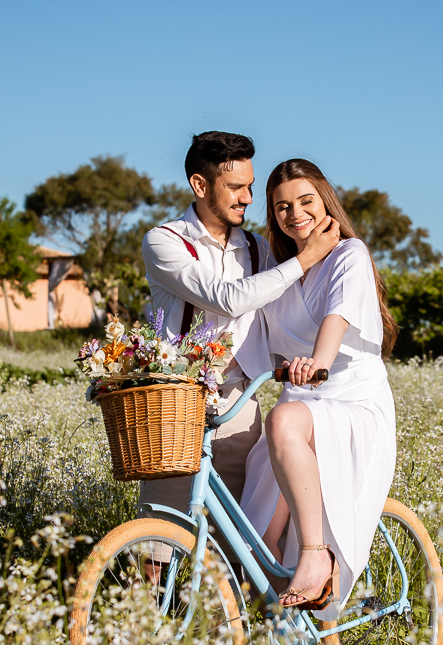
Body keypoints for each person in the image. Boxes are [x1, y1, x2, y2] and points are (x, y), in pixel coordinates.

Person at [139, 132, 340, 524]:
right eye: (235, 187)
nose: (247, 197)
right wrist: (305, 258)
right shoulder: (164, 241)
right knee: (161, 534)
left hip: (241, 405)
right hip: (177, 403)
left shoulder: (258, 248)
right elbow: (226, 298)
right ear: (200, 185)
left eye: (249, 186)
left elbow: (287, 312)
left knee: (238, 535)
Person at [240, 159, 398, 620]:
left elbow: (338, 316)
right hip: (299, 404)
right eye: (282, 206)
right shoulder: (279, 269)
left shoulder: (350, 254)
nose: (295, 214)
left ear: (325, 201)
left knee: (283, 419)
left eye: (305, 201)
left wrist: (318, 363)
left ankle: (316, 554)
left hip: (350, 398)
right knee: (257, 542)